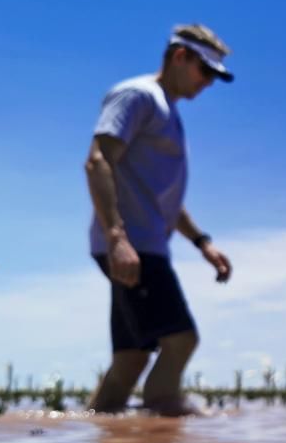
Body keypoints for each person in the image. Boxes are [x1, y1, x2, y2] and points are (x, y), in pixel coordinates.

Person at [84, 24, 234, 415]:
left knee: (132, 356)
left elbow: (164, 200)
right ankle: (163, 430)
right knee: (181, 340)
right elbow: (98, 160)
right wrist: (117, 238)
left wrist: (203, 242)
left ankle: (94, 430)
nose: (209, 83)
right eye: (206, 72)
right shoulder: (139, 96)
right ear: (180, 57)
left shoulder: (167, 111)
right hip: (135, 248)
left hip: (141, 245)